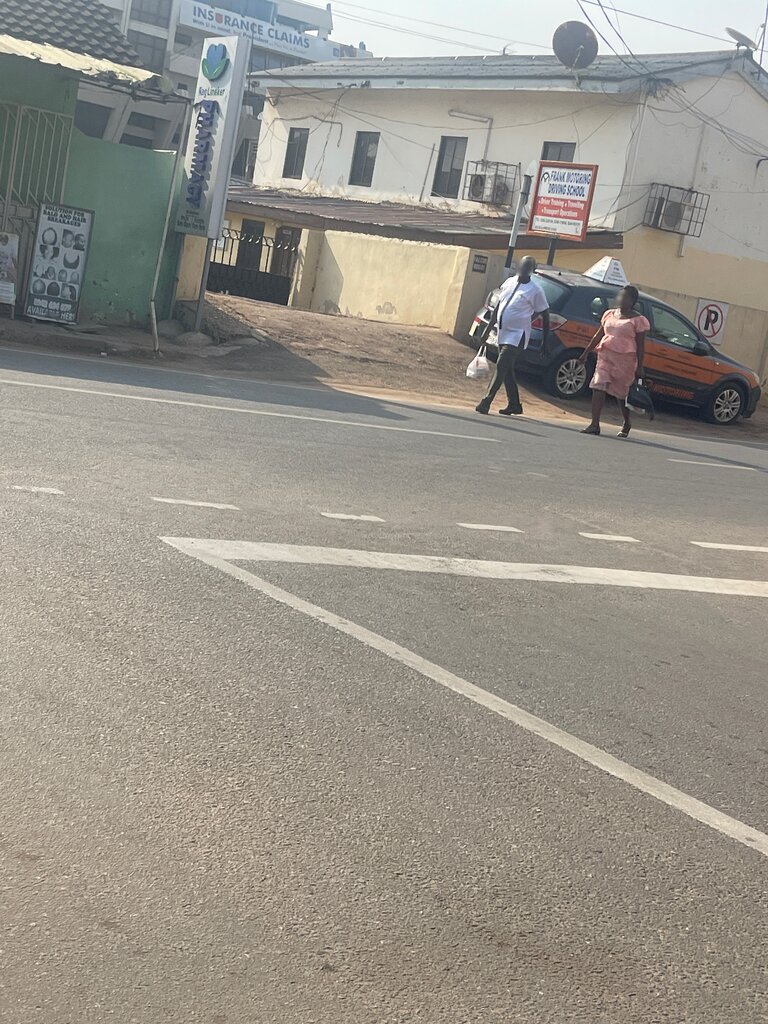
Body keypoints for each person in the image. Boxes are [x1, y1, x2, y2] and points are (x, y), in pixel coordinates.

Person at [475, 256, 550, 417]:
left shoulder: (536, 290)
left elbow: (545, 313)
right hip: (503, 331)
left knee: (501, 364)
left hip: (518, 334)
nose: (524, 269)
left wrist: (544, 341)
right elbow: (499, 306)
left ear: (532, 270)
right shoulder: (509, 282)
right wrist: (488, 329)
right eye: (522, 265)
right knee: (507, 370)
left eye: (527, 267)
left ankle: (486, 401)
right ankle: (514, 405)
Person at [577, 285, 649, 438]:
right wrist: (585, 353)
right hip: (605, 356)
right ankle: (594, 424)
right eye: (620, 296)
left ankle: (626, 422)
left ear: (633, 301)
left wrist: (640, 367)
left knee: (621, 394)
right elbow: (598, 335)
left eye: (625, 297)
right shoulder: (609, 314)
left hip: (625, 361)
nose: (621, 299)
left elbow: (641, 346)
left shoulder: (638, 320)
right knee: (598, 385)